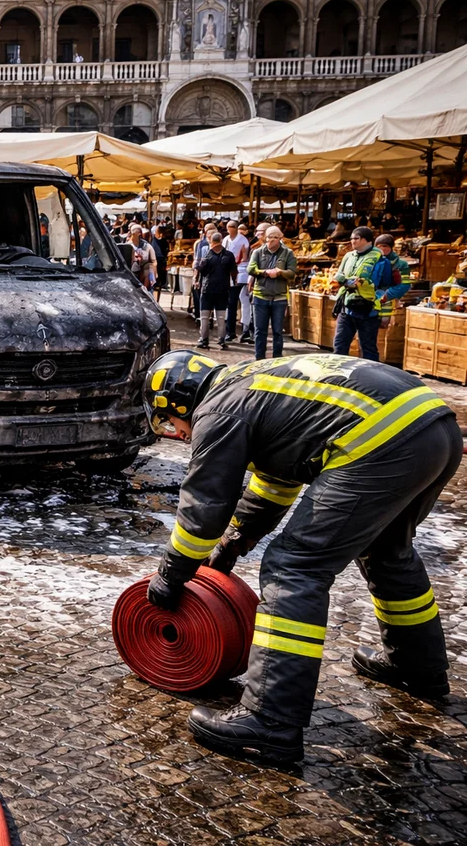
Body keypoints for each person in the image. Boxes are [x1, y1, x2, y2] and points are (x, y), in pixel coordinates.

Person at [142, 350, 459, 764]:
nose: (178, 434)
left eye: (170, 423)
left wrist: (171, 575)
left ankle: (270, 721)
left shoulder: (216, 409)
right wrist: (232, 544)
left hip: (383, 442)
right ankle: (418, 669)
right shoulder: (248, 384)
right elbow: (276, 481)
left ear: (176, 402)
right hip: (435, 428)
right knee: (386, 551)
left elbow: (204, 506)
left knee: (293, 567)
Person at [331, 227, 392, 361]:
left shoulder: (382, 261)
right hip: (346, 308)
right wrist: (342, 281)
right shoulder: (348, 256)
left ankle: (372, 379)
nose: (352, 241)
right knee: (339, 345)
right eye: (351, 238)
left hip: (369, 310)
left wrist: (385, 314)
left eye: (356, 238)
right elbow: (339, 274)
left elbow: (386, 288)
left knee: (368, 348)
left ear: (367, 240)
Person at [247, 225, 297, 360]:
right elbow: (250, 269)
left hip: (279, 298)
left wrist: (280, 273)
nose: (271, 240)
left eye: (275, 237)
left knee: (277, 331)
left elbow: (292, 273)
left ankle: (276, 359)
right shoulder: (258, 252)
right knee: (260, 331)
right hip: (260, 296)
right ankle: (259, 359)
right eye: (269, 237)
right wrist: (264, 273)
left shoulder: (288, 253)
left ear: (280, 238)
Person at [196, 231, 236, 349]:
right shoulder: (229, 255)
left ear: (211, 242)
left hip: (207, 289)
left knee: (204, 316)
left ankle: (204, 340)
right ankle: (221, 340)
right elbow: (234, 272)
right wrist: (234, 281)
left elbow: (200, 271)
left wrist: (197, 281)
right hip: (223, 290)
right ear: (221, 240)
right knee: (221, 317)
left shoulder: (207, 256)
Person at [221, 220, 250, 347]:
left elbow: (244, 257)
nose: (229, 229)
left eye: (231, 227)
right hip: (231, 273)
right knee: (231, 303)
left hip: (242, 271)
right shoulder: (226, 240)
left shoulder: (243, 240)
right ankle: (230, 331)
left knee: (244, 302)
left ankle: (246, 329)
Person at [374, 233, 412, 326]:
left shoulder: (401, 264)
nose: (382, 249)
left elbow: (404, 284)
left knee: (386, 330)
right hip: (371, 304)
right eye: (379, 246)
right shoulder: (371, 262)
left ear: (391, 247)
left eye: (385, 246)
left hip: (390, 305)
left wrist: (386, 296)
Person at [127, 224, 155, 290]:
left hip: (142, 269)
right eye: (139, 233)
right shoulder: (128, 244)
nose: (140, 235)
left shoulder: (145, 244)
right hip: (132, 270)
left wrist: (141, 257)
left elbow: (148, 257)